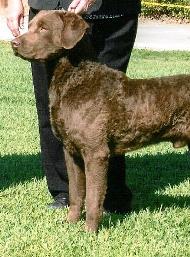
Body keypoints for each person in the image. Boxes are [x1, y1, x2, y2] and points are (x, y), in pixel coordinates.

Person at [6, 0, 141, 212]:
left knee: (107, 112)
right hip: (47, 8)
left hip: (107, 14)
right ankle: (65, 192)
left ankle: (111, 196)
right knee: (52, 109)